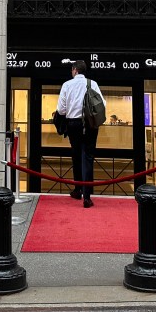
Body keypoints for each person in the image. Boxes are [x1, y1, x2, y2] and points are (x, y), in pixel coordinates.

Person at [57, 59, 105, 208]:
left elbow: (61, 110)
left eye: (72, 70)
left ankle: (77, 189)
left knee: (76, 155)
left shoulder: (67, 85)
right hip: (90, 124)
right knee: (88, 157)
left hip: (73, 124)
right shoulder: (93, 84)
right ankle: (87, 196)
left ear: (75, 70)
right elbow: (102, 104)